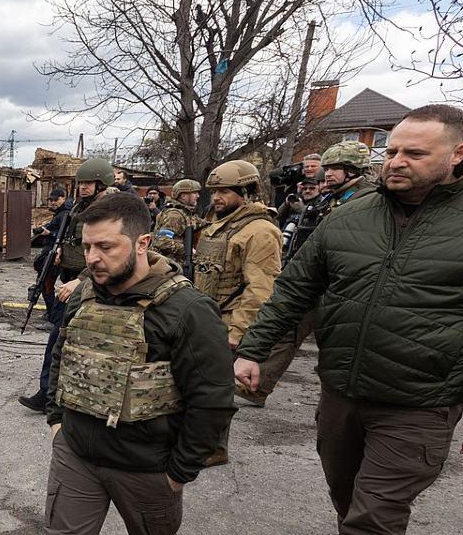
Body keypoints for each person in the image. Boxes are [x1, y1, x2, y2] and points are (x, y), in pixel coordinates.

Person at [234, 104, 463, 535]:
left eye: (414, 153)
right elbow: (294, 290)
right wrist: (253, 350)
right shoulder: (351, 216)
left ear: (458, 154)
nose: (396, 162)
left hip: (420, 403)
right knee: (347, 494)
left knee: (375, 516)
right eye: (392, 150)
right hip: (342, 391)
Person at [14, 193, 235, 535]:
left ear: (143, 243)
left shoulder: (188, 311)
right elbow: (60, 354)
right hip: (77, 456)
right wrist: (56, 419)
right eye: (88, 246)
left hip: (147, 466)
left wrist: (179, 472)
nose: (92, 258)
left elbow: (213, 401)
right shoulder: (84, 295)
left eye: (106, 247)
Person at [246, 143, 374, 407]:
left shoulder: (369, 200)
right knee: (288, 330)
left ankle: (342, 405)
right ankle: (255, 387)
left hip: (346, 285)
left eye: (337, 168)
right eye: (328, 168)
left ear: (354, 170)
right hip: (314, 278)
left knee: (340, 346)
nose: (328, 174)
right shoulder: (330, 198)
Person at [192, 159, 281, 459]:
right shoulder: (220, 225)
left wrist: (238, 331)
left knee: (216, 392)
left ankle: (213, 449)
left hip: (228, 323)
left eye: (225, 192)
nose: (217, 198)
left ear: (246, 192)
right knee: (198, 386)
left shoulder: (260, 231)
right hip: (206, 318)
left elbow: (261, 289)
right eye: (214, 192)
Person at [18, 159, 113, 412]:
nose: (83, 187)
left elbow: (108, 253)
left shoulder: (110, 210)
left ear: (102, 183)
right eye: (81, 183)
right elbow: (70, 236)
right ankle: (54, 393)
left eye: (89, 183)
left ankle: (53, 394)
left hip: (94, 283)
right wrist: (60, 249)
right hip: (72, 278)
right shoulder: (80, 207)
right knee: (63, 338)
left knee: (64, 338)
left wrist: (80, 280)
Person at [32, 186, 71, 328]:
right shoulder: (60, 214)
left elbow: (64, 236)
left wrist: (50, 233)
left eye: (56, 200)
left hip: (55, 255)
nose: (53, 202)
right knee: (45, 285)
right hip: (50, 252)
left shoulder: (65, 214)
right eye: (51, 200)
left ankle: (53, 318)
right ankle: (52, 314)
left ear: (63, 198)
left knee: (46, 285)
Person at [152, 178, 200, 267]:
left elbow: (196, 223)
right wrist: (188, 250)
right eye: (194, 193)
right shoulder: (174, 215)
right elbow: (163, 242)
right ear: (183, 196)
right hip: (171, 265)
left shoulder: (184, 212)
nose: (198, 196)